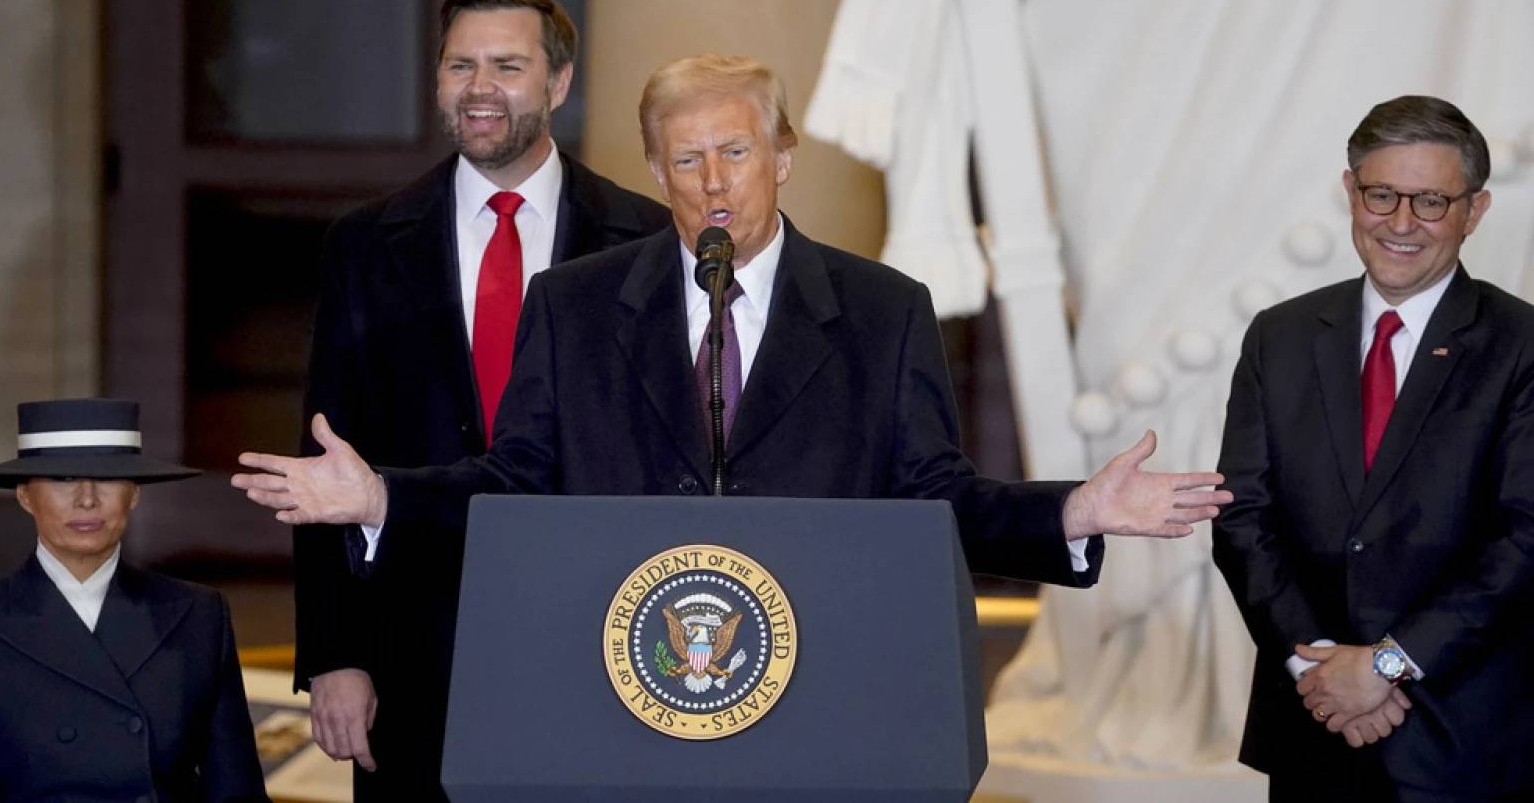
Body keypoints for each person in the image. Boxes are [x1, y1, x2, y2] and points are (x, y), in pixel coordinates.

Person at [242, 51, 1227, 578]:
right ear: (656, 171)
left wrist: (1069, 511)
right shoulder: (576, 307)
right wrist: (383, 500)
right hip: (620, 676)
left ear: (782, 156)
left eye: (736, 153)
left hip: (816, 677)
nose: (712, 182)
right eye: (685, 159)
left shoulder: (883, 312)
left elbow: (935, 498)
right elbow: (517, 481)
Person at [291, 0, 671, 800]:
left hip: (599, 634)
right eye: (459, 66)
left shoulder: (642, 238)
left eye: (506, 64)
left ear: (558, 84)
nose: (480, 89)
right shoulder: (366, 244)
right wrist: (334, 652)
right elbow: (324, 456)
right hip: (411, 640)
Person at [1212, 96, 1534, 801]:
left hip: (1465, 742)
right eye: (1382, 194)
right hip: (1315, 728)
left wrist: (1389, 666)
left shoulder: (1522, 346)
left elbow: (1524, 539)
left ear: (1474, 212)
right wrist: (1323, 671)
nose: (1400, 223)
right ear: (1351, 192)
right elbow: (1243, 520)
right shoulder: (1281, 336)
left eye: (1430, 201)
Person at [0, 398, 266, 803]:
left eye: (108, 478)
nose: (87, 499)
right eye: (63, 479)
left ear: (134, 494)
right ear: (24, 496)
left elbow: (236, 789)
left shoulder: (199, 614)